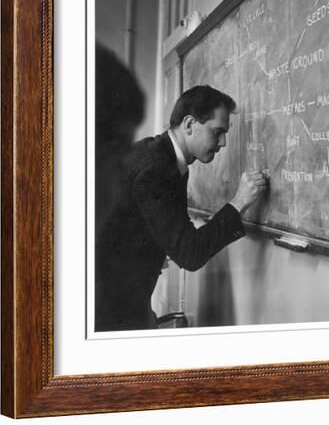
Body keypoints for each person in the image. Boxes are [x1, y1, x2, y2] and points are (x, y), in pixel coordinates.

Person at [95, 85, 267, 331]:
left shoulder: (156, 152)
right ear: (189, 125)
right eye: (217, 132)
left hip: (114, 298)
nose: (224, 143)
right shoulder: (156, 169)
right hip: (111, 308)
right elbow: (190, 253)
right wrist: (239, 202)